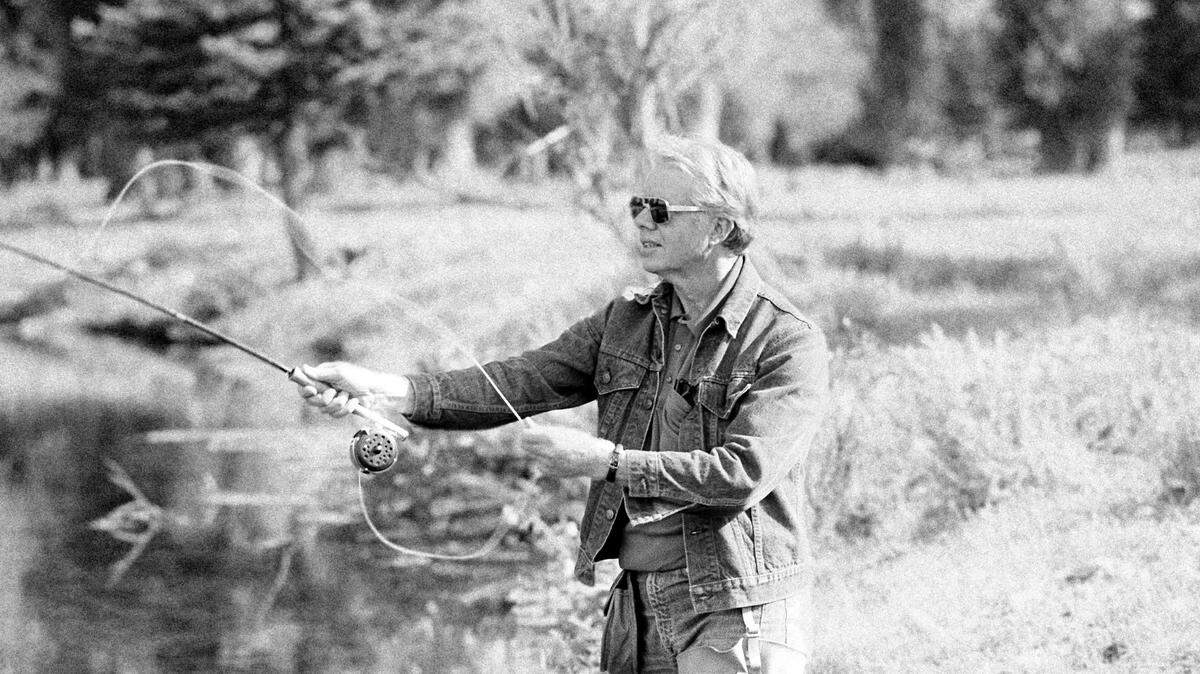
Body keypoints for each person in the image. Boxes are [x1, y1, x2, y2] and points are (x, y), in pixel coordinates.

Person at [295, 134, 830, 673]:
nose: (642, 222)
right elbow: (521, 381)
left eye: (661, 211)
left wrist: (603, 462)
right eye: (637, 206)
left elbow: (743, 472)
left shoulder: (786, 340)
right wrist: (387, 389)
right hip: (637, 607)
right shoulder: (626, 322)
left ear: (719, 226)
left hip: (735, 608)